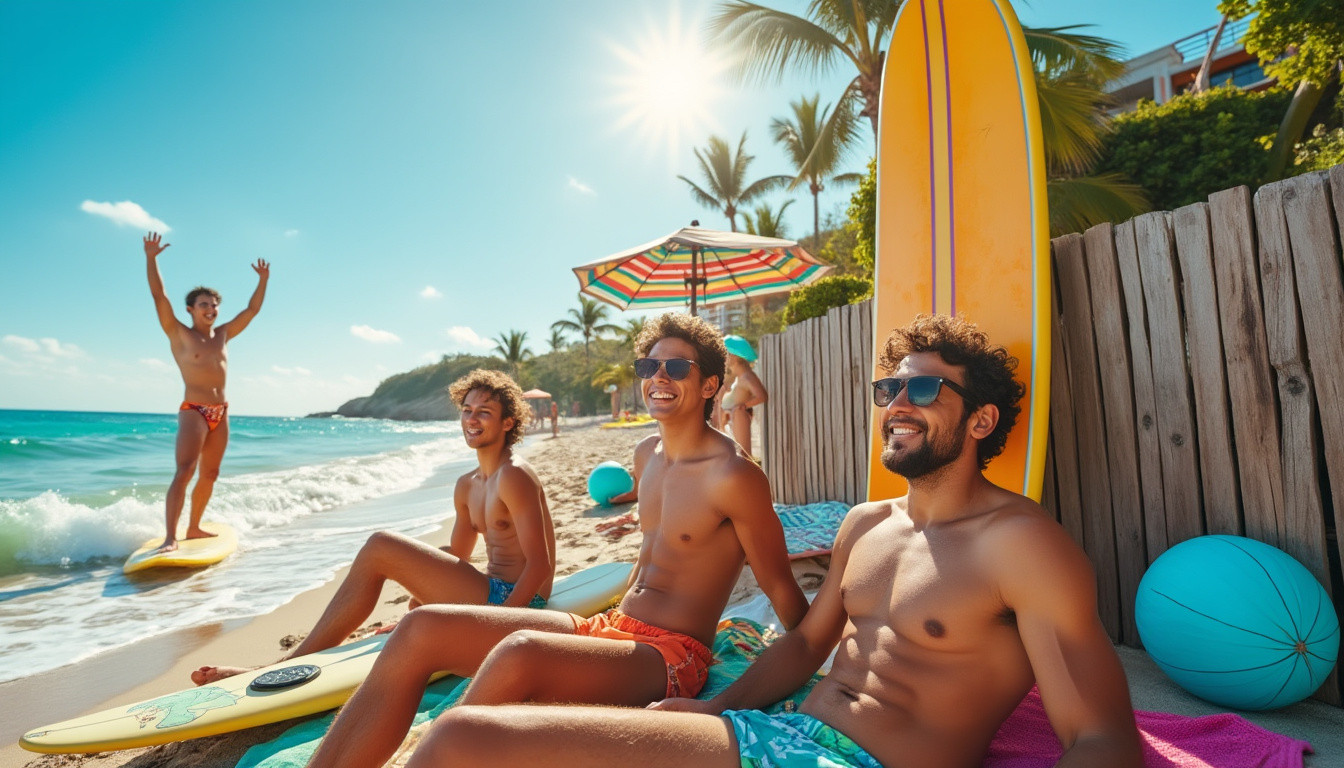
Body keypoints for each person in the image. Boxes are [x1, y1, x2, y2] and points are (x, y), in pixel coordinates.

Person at [414, 314, 1144, 768]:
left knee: (457, 745)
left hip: (865, 759)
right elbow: (800, 646)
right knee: (475, 738)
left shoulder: (1021, 544)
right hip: (782, 734)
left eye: (922, 391)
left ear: (980, 422)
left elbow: (1103, 739)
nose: (896, 403)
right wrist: (714, 709)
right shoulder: (867, 524)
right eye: (888, 389)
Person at [306, 312, 810, 768]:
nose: (658, 378)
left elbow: (784, 595)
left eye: (677, 369)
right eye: (648, 367)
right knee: (421, 627)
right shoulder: (645, 455)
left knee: (518, 651)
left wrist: (820, 658)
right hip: (611, 626)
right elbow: (651, 555)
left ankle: (448, 752)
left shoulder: (733, 475)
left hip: (669, 656)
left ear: (709, 385)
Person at [190, 369, 556, 685]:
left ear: (508, 423)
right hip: (490, 592)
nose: (471, 419)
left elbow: (540, 566)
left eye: (485, 412)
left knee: (381, 546)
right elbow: (456, 558)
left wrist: (498, 623)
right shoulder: (467, 484)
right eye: (467, 410)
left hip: (519, 603)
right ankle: (302, 658)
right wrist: (416, 607)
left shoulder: (514, 475)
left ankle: (285, 665)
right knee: (399, 559)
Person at [143, 232, 269, 554]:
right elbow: (159, 296)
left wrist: (263, 279)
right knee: (185, 471)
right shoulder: (178, 333)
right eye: (204, 305)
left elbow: (252, 310)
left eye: (214, 304)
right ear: (190, 309)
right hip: (194, 411)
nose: (211, 309)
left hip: (221, 411)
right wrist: (152, 257)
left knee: (210, 474)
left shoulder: (224, 334)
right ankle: (170, 537)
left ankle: (195, 527)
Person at [721, 334, 767, 458]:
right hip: (736, 416)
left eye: (726, 354)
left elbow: (762, 396)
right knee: (738, 454)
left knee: (744, 455)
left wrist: (742, 406)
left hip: (740, 415)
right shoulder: (741, 377)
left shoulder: (747, 376)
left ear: (735, 357)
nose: (724, 358)